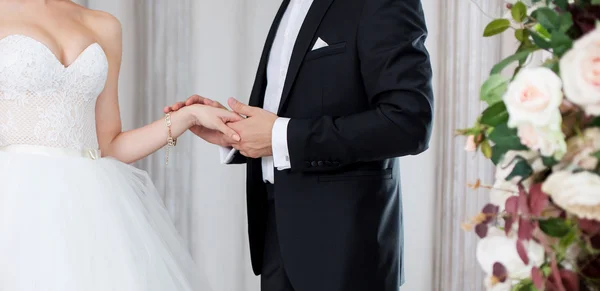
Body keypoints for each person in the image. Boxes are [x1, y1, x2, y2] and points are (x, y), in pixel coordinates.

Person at [166, 0, 434, 290]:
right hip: (277, 235)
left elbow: (408, 122)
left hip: (345, 249)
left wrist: (280, 137)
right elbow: (293, 108)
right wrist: (234, 132)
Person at [0, 0, 240, 290]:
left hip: (91, 205)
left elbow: (110, 145)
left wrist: (186, 117)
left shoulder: (103, 25)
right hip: (15, 200)